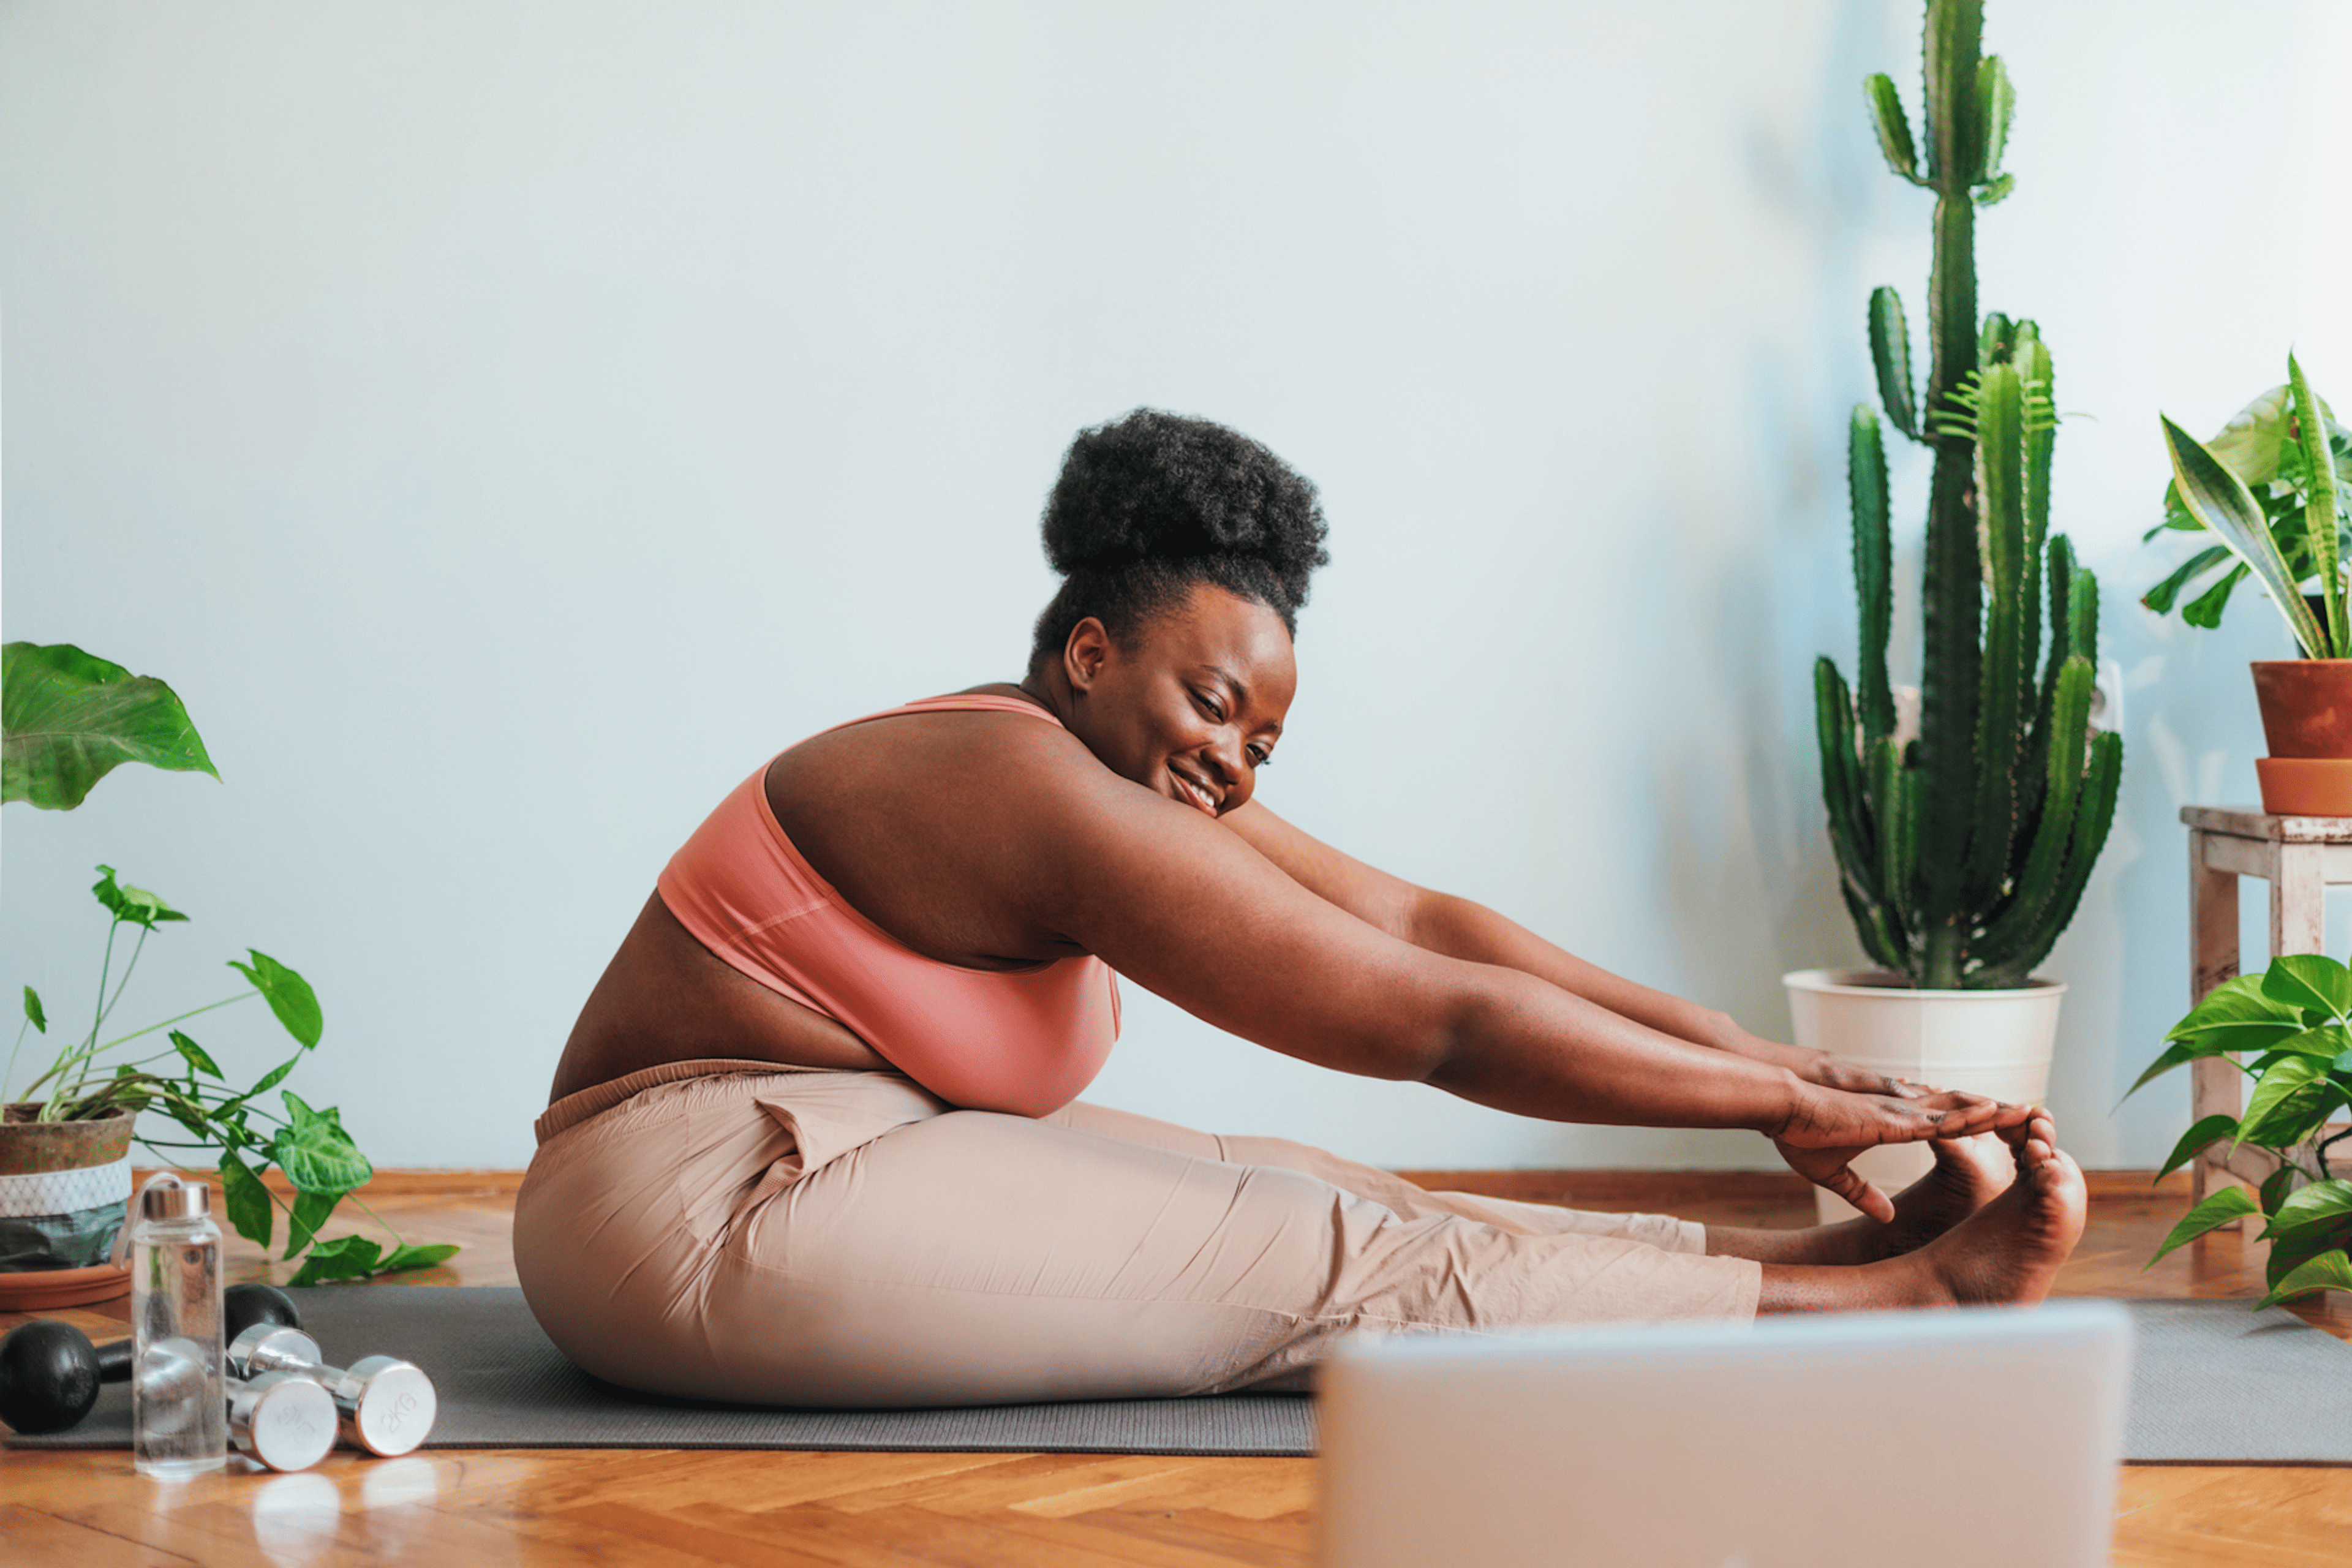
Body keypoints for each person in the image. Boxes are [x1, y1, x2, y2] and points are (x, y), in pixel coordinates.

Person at [514, 409, 2086, 1408]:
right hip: (686, 1201)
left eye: (1263, 737)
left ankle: (1802, 1272)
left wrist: (1745, 1051)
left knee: (1323, 1179)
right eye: (1212, 702)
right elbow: (1428, 1020)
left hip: (846, 1142)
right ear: (1088, 654)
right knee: (1337, 1256)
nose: (1233, 760)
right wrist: (1783, 1092)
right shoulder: (1023, 790)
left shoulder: (1116, 778)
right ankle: (1891, 1304)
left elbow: (1422, 924)